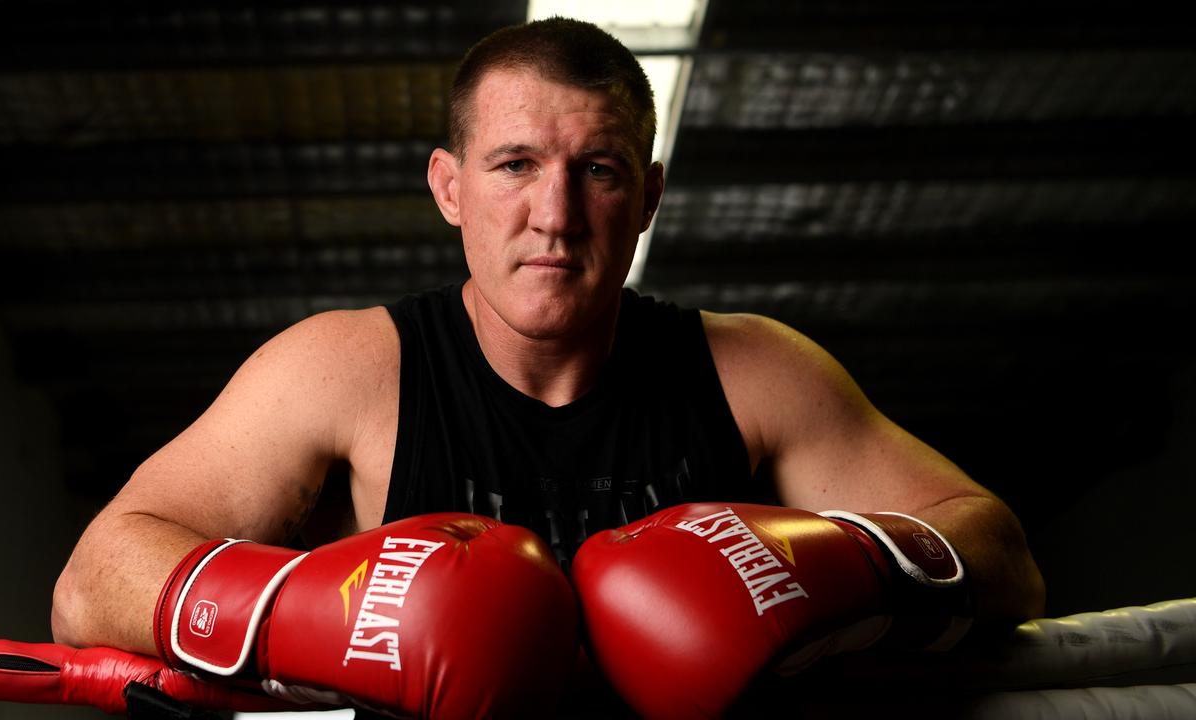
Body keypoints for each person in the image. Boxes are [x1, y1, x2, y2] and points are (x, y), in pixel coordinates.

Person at [52, 15, 1044, 668]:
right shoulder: (348, 371)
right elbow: (94, 582)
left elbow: (997, 550)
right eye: (515, 164)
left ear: (647, 196)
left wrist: (822, 567)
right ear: (450, 188)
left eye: (599, 169)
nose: (555, 215)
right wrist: (328, 614)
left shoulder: (751, 373)